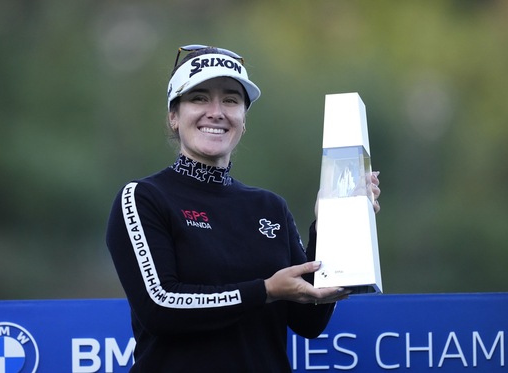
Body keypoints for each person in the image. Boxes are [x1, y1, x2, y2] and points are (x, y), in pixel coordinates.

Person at [106, 44, 381, 372]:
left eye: (231, 100)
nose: (216, 111)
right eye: (199, 97)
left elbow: (309, 321)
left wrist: (332, 226)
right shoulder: (143, 197)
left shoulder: (269, 206)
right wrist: (265, 291)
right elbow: (160, 306)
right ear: (174, 116)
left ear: (243, 121)